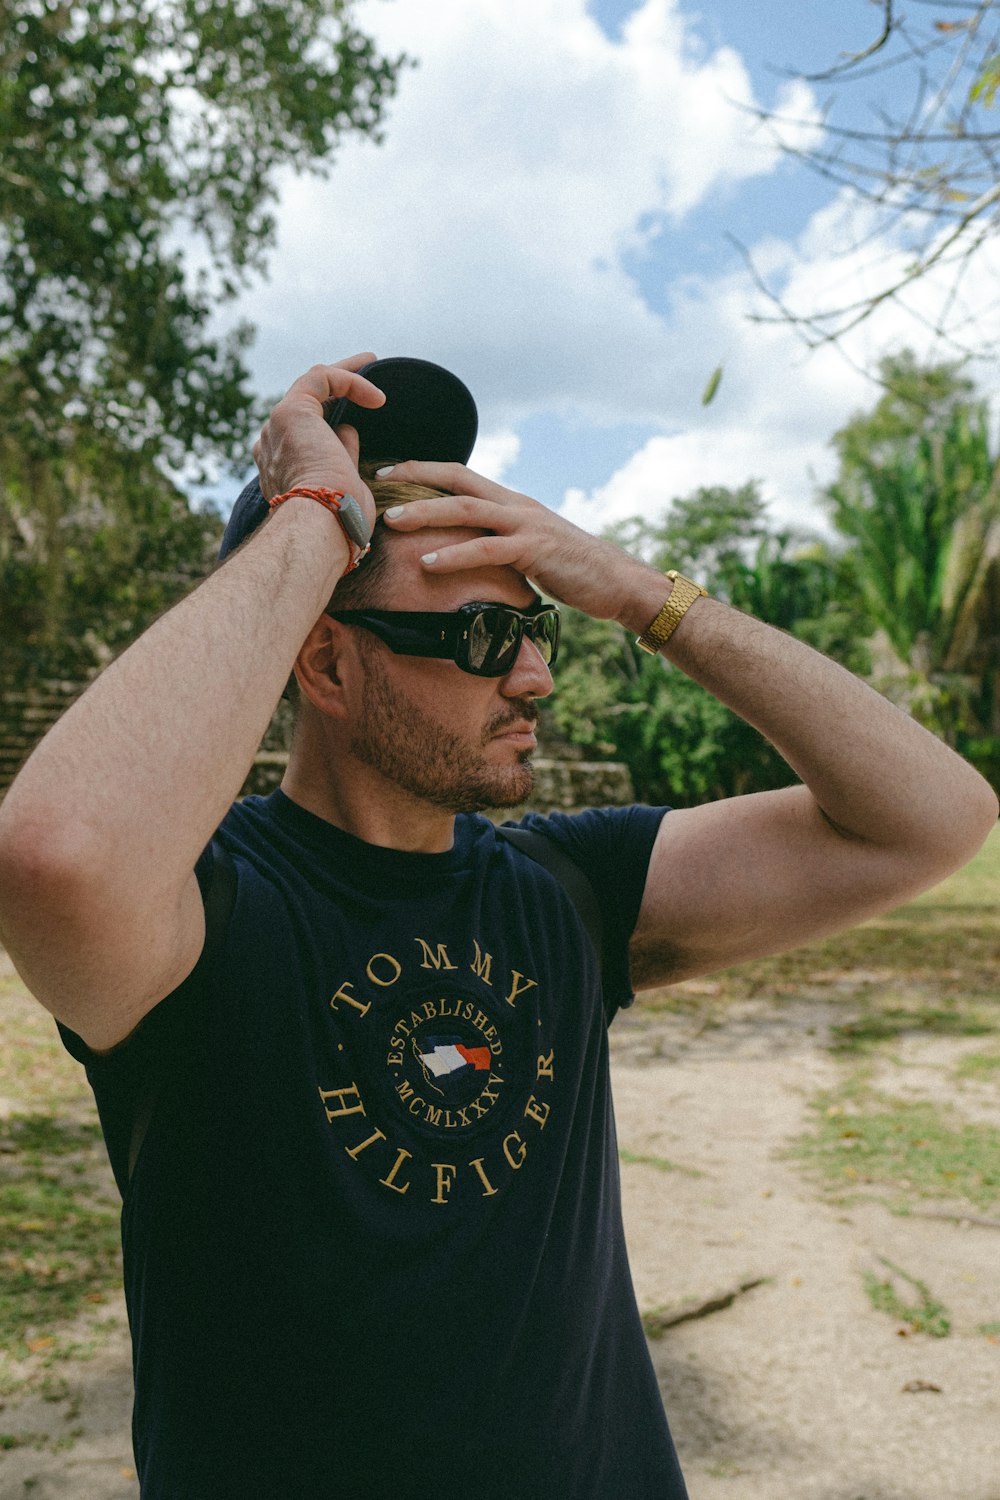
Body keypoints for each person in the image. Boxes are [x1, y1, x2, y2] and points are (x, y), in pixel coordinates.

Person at [0, 352, 995, 1500]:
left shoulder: (569, 888)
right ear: (321, 659)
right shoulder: (202, 909)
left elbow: (931, 819)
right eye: (479, 638)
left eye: (537, 632)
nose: (533, 679)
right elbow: (55, 853)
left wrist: (637, 595)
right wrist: (320, 512)